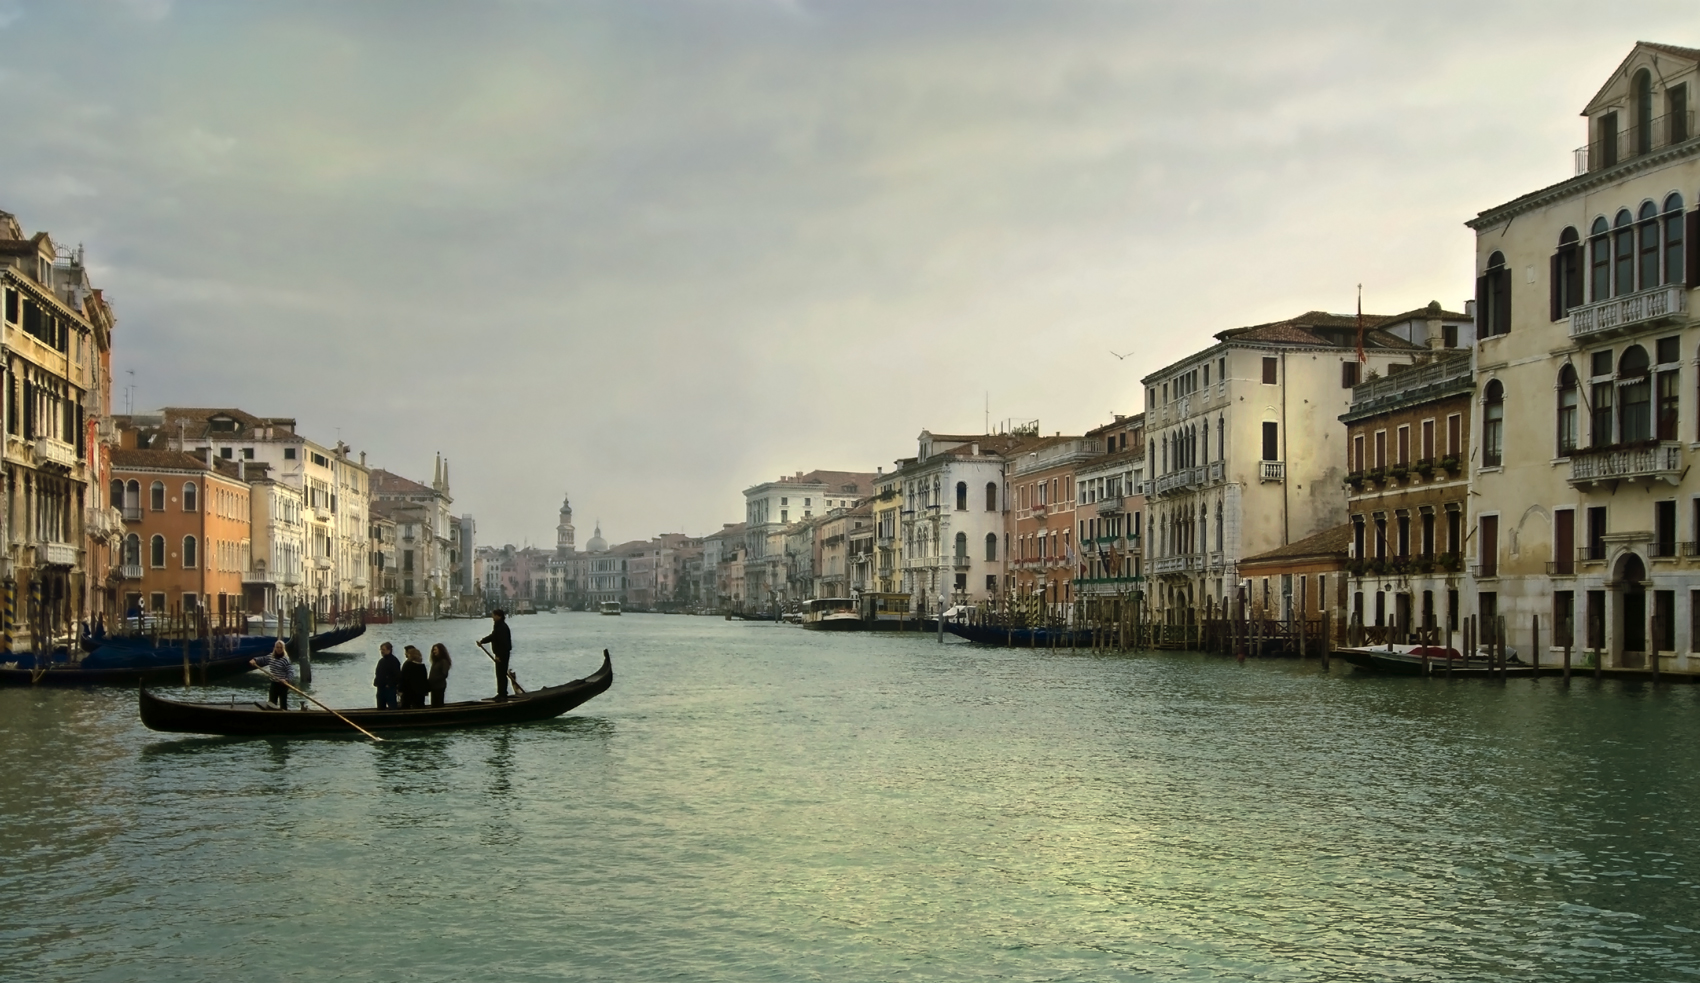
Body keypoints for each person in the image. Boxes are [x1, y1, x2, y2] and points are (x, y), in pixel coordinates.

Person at [250, 640, 296, 710]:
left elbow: (291, 671)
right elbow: (263, 659)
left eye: (281, 648)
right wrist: (255, 660)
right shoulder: (271, 657)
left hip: (283, 685)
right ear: (275, 648)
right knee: (271, 704)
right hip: (274, 684)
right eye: (277, 647)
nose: (279, 649)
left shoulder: (285, 659)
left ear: (283, 648)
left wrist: (287, 680)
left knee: (283, 705)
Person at [480, 609, 513, 698]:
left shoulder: (502, 627)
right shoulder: (498, 626)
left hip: (502, 654)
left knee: (501, 674)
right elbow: (493, 636)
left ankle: (503, 693)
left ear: (499, 616)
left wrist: (498, 655)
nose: (492, 617)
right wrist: (482, 641)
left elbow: (503, 643)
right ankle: (501, 693)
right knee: (499, 674)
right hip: (500, 654)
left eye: (494, 615)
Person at [398, 645, 430, 709]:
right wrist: (426, 690)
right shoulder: (422, 666)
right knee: (419, 706)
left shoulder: (407, 665)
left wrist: (400, 689)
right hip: (420, 692)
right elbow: (424, 679)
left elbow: (403, 678)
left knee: (405, 706)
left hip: (408, 691)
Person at [374, 642, 401, 709]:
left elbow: (397, 675)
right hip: (380, 687)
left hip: (389, 689)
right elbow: (378, 673)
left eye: (383, 649)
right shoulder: (381, 661)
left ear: (389, 650)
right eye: (381, 650)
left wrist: (390, 684)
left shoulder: (394, 661)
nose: (381, 651)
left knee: (392, 706)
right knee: (380, 706)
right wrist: (376, 682)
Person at [427, 643, 452, 707]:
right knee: (433, 703)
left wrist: (433, 680)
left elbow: (444, 675)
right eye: (433, 650)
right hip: (433, 686)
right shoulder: (435, 662)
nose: (434, 651)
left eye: (435, 650)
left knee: (438, 703)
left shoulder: (444, 661)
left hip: (439, 686)